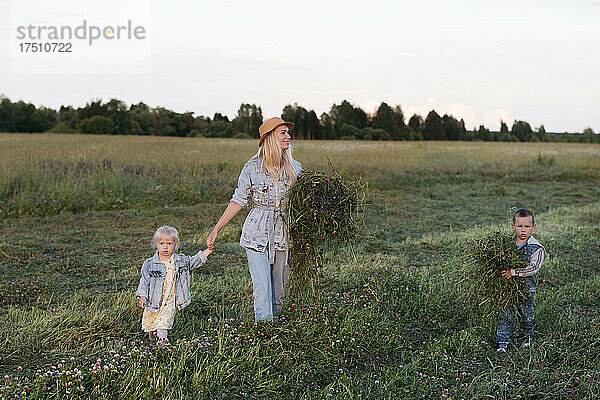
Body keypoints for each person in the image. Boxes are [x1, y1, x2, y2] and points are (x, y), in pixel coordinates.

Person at [207, 117, 302, 322]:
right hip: (257, 233)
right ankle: (264, 330)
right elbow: (238, 200)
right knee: (262, 288)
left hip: (284, 234)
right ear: (269, 138)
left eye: (288, 132)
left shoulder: (295, 167)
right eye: (283, 133)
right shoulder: (252, 168)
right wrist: (217, 228)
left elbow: (303, 203)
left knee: (279, 288)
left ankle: (276, 329)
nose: (289, 137)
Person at [136, 225, 213, 342]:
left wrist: (208, 250)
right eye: (161, 244)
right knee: (151, 325)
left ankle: (162, 347)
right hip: (153, 300)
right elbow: (144, 281)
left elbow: (194, 261)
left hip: (169, 301)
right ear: (157, 244)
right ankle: (152, 341)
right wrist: (142, 296)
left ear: (175, 245)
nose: (165, 247)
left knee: (163, 325)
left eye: (169, 244)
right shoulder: (149, 263)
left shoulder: (180, 261)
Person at [497, 208, 546, 352]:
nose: (523, 230)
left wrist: (514, 272)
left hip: (526, 288)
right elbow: (502, 260)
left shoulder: (536, 248)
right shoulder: (507, 245)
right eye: (519, 226)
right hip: (508, 287)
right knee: (506, 313)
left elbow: (533, 268)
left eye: (527, 227)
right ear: (513, 226)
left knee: (526, 314)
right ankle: (502, 341)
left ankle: (527, 338)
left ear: (533, 227)